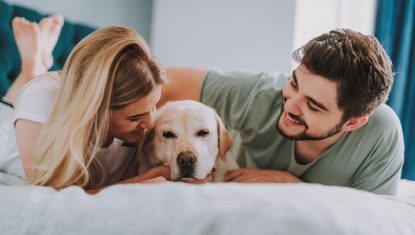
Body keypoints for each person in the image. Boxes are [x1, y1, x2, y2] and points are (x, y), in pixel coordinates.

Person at [159, 29, 405, 196]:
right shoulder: (261, 95)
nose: (289, 106)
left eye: (313, 105)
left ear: (353, 122)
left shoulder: (381, 133)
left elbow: (371, 217)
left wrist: (294, 186)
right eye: (294, 83)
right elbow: (161, 82)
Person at [0, 25, 175, 193]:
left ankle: (40, 63)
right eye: (135, 117)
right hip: (6, 132)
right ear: (96, 108)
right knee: (13, 104)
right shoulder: (41, 95)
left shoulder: (136, 124)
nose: (151, 124)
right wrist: (145, 180)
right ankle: (32, 67)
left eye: (153, 108)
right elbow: (50, 195)